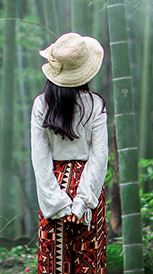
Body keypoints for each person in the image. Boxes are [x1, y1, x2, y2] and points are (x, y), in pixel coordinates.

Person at [30, 32, 108, 274]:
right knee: (88, 263)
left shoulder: (41, 104)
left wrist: (58, 205)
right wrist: (81, 203)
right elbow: (99, 156)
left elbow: (40, 159)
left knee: (53, 263)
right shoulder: (96, 104)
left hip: (52, 187)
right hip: (89, 187)